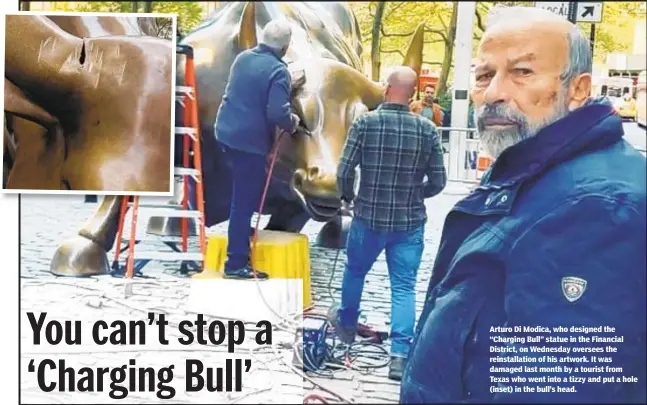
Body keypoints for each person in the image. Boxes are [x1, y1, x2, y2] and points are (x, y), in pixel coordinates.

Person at [400, 6, 646, 403]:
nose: (495, 92)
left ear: (578, 89)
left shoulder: (596, 207)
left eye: (522, 72)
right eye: (484, 75)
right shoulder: (534, 170)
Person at [329, 66, 447, 381]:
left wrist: (349, 197)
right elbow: (439, 181)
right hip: (409, 223)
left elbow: (344, 171)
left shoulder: (365, 123)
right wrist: (415, 194)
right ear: (413, 94)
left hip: (368, 217)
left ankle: (347, 334)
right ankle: (399, 356)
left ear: (386, 89)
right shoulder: (427, 130)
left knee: (354, 272)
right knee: (404, 287)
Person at [214, 20, 301, 280]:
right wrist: (293, 122)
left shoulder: (243, 58)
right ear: (285, 47)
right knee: (244, 203)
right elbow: (277, 113)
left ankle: (239, 236)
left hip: (225, 133)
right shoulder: (278, 70)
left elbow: (250, 89)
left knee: (241, 197)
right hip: (248, 143)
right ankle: (236, 262)